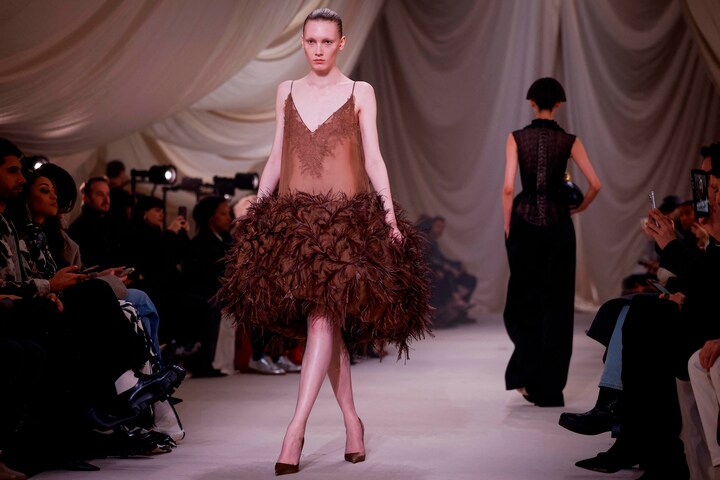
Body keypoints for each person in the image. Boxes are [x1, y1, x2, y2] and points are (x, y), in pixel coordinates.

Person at [216, 8, 431, 475]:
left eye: (326, 41)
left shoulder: (359, 91)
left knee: (321, 321)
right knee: (325, 328)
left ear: (341, 43)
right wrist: (259, 209)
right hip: (295, 226)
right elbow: (277, 156)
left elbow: (373, 157)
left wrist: (389, 216)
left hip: (343, 225)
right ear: (302, 43)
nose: (317, 49)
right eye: (311, 41)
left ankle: (294, 430)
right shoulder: (286, 91)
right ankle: (353, 424)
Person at [502, 77, 601, 407]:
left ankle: (524, 374)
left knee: (523, 302)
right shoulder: (569, 141)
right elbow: (596, 184)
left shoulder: (516, 138)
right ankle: (550, 389)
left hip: (524, 224)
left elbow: (507, 188)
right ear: (558, 104)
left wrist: (507, 226)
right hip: (559, 226)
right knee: (557, 306)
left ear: (532, 103)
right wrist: (579, 208)